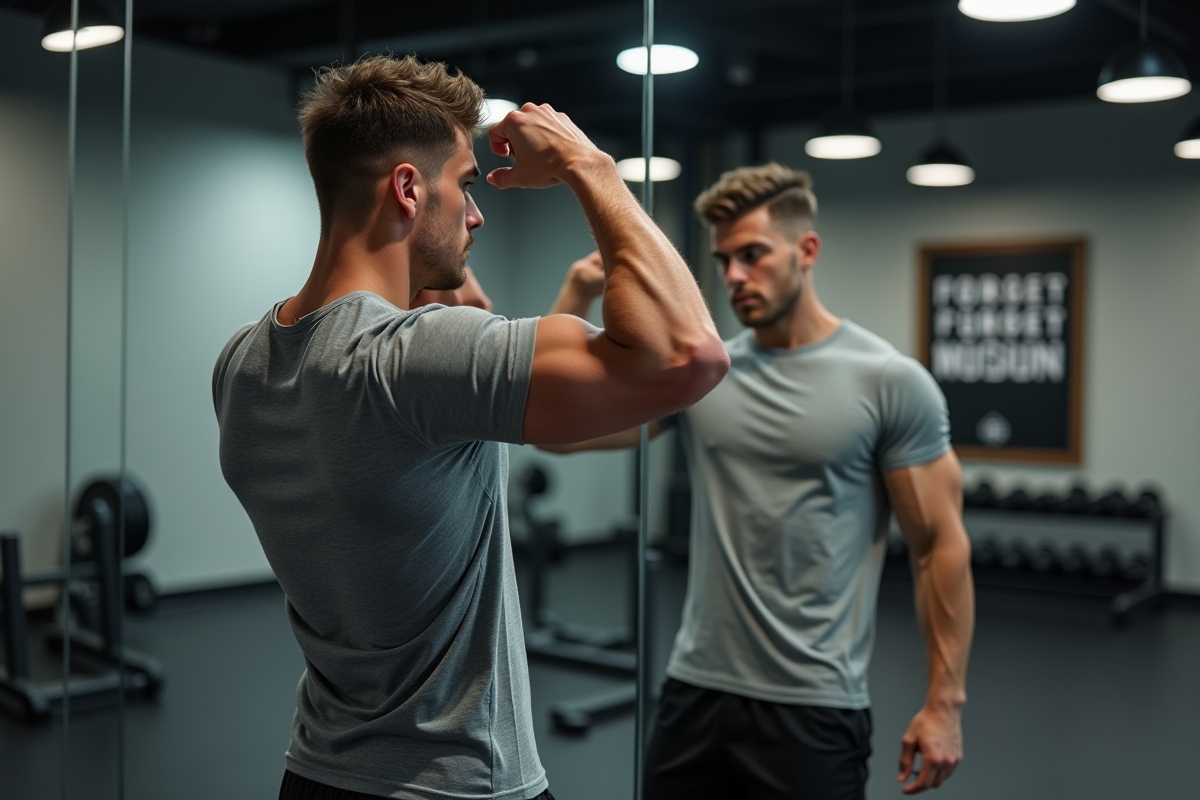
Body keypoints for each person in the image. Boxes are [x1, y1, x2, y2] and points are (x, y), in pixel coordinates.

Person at [212, 54, 728, 800]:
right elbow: (690, 356)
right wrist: (593, 166)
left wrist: (441, 266)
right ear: (408, 188)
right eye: (467, 184)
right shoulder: (411, 362)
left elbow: (453, 381)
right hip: (457, 782)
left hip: (318, 773)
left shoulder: (243, 361)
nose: (477, 214)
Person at [544, 163, 975, 799]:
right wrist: (578, 292)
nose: (735, 276)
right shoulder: (704, 373)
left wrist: (945, 703)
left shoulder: (889, 381)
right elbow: (559, 428)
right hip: (695, 689)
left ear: (807, 251)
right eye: (724, 261)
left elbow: (939, 545)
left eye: (753, 255)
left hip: (814, 703)